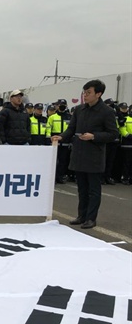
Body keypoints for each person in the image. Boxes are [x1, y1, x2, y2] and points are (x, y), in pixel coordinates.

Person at [51, 80, 119, 229]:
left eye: (88, 93)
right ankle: (81, 215)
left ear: (98, 94)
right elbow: (71, 129)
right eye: (84, 92)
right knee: (82, 188)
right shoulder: (79, 110)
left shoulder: (106, 112)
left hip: (94, 155)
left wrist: (94, 136)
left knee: (93, 190)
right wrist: (61, 136)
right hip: (79, 153)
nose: (85, 96)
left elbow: (113, 134)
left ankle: (91, 218)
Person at [117, 102, 132, 185]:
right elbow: (122, 130)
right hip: (127, 144)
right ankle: (125, 177)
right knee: (126, 162)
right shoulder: (125, 119)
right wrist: (129, 136)